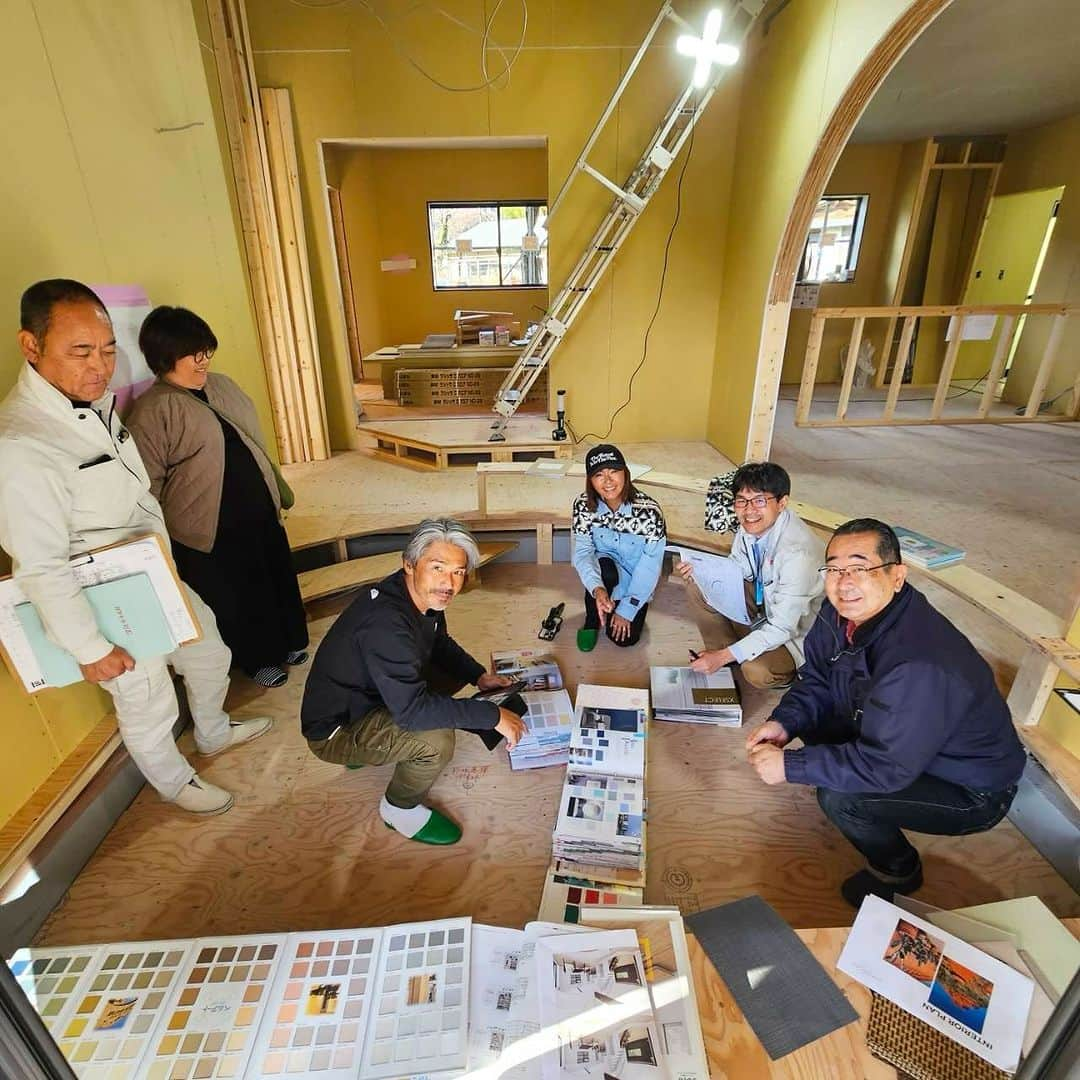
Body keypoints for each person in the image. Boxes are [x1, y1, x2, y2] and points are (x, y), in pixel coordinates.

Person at [0, 280, 271, 816]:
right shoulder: (22, 445)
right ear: (31, 346)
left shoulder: (95, 402)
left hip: (149, 569)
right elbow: (40, 566)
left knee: (210, 649)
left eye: (106, 349)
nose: (99, 367)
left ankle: (214, 731)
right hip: (101, 596)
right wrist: (91, 649)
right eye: (80, 352)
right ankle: (174, 781)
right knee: (146, 698)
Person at [745, 518, 1025, 907]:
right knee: (816, 728)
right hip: (910, 745)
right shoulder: (839, 612)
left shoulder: (919, 663)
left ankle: (898, 870)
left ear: (897, 575)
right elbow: (817, 678)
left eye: (861, 568)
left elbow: (887, 767)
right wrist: (784, 722)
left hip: (971, 787)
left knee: (841, 796)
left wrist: (788, 767)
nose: (844, 582)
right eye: (835, 569)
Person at [300, 519, 528, 845]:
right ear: (409, 564)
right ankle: (398, 808)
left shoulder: (422, 596)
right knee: (435, 739)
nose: (449, 583)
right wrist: (493, 716)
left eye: (458, 572)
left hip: (368, 696)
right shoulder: (386, 624)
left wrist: (479, 676)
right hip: (335, 730)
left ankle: (371, 750)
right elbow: (412, 714)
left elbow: (439, 644)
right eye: (438, 567)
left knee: (442, 671)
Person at [125, 306, 308, 689]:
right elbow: (147, 483)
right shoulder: (153, 410)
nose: (203, 359)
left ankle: (290, 640)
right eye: (194, 353)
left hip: (256, 504)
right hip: (211, 525)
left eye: (206, 350)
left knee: (275, 574)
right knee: (240, 592)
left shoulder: (222, 385)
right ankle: (257, 659)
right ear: (164, 356)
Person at [680, 462, 823, 689]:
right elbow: (738, 570)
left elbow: (783, 627)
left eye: (759, 500)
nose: (748, 511)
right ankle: (726, 655)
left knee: (756, 671)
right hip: (765, 608)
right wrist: (702, 570)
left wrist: (724, 655)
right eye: (741, 501)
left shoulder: (798, 554)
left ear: (782, 503)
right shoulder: (750, 528)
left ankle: (784, 673)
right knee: (699, 586)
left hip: (796, 635)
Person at [571, 444, 667, 651]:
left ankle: (621, 606)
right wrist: (597, 589)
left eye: (614, 472)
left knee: (624, 639)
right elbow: (583, 553)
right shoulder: (583, 506)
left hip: (636, 581)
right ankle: (592, 618)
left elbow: (650, 566)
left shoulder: (650, 512)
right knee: (603, 567)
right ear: (590, 481)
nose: (608, 482)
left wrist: (627, 610)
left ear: (626, 473)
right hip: (605, 572)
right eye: (599, 475)